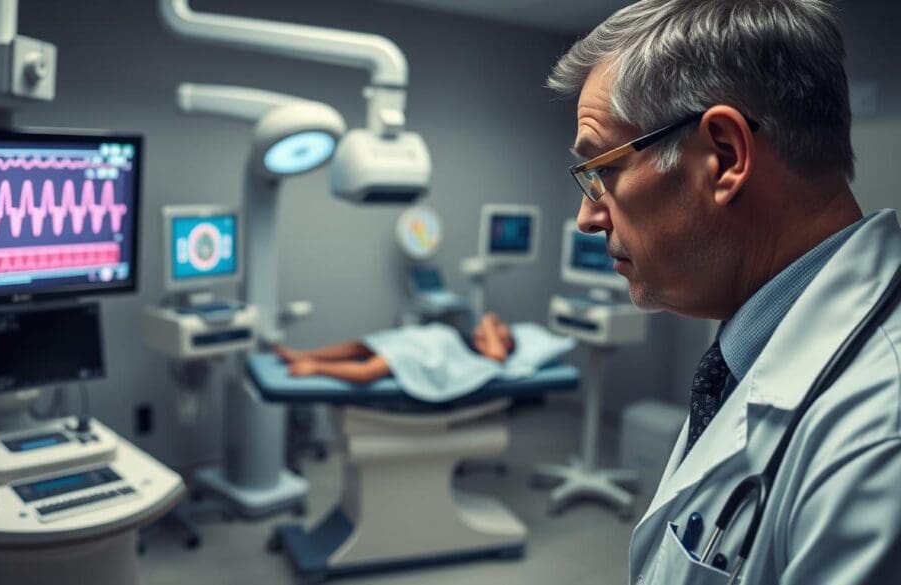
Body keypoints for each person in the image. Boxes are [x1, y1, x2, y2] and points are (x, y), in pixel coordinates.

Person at [548, 1, 900, 583]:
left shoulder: (876, 440)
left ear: (725, 157)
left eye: (602, 170)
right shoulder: (746, 352)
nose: (588, 217)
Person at [274, 312, 515, 383]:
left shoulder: (491, 351)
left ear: (504, 343)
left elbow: (496, 357)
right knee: (363, 345)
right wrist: (490, 326)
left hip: (434, 351)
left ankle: (314, 366)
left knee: (369, 370)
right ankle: (303, 354)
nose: (492, 328)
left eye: (499, 331)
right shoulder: (471, 338)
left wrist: (488, 322)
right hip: (428, 338)